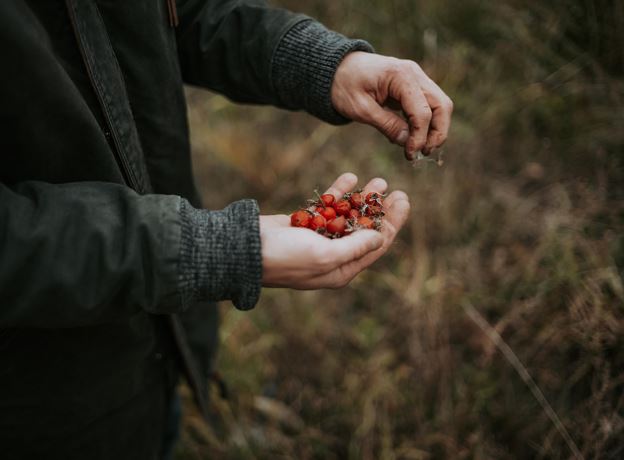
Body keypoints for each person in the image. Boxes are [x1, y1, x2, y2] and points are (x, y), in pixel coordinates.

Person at [0, 1, 452, 458]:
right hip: (36, 402)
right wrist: (205, 249)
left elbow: (180, 13)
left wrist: (324, 62)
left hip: (158, 343)